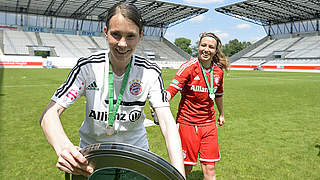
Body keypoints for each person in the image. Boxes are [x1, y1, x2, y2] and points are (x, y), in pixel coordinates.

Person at [40, 2, 185, 178]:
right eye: (116, 34)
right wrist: (64, 148)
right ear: (105, 32)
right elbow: (49, 114)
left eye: (130, 36)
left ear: (140, 36)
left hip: (136, 161)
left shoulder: (150, 71)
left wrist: (179, 174)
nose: (122, 44)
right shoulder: (88, 67)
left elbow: (167, 123)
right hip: (92, 163)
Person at [166, 32, 229, 180]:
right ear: (198, 47)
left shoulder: (218, 72)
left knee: (210, 168)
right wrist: (161, 101)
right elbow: (172, 89)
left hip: (208, 124)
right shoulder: (188, 67)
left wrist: (221, 114)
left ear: (215, 51)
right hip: (187, 123)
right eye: (203, 45)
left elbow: (218, 94)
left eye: (211, 47)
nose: (206, 49)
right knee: (186, 167)